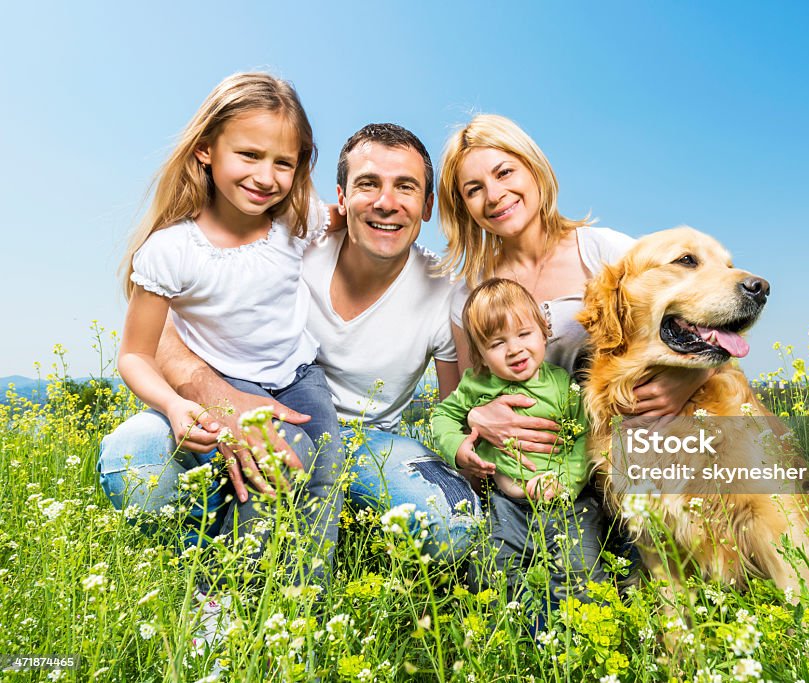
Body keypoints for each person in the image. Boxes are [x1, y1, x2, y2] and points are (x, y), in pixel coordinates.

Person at [98, 123, 481, 569]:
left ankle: (309, 560)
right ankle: (213, 573)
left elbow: (454, 407)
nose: (386, 203)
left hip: (364, 443)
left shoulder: (446, 291)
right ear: (341, 197)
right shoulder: (290, 239)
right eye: (368, 184)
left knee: (453, 519)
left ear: (428, 205)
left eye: (406, 187)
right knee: (136, 460)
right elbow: (159, 325)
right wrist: (218, 398)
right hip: (236, 406)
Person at [114, 72, 343, 591]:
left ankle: (305, 600)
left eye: (283, 162)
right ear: (205, 151)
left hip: (299, 375)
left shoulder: (295, 218)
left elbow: (336, 218)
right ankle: (225, 601)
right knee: (273, 467)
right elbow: (133, 356)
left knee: (328, 468)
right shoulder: (172, 252)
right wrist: (176, 406)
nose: (267, 176)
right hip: (229, 381)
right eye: (249, 155)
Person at [436, 113, 710, 478]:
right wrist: (475, 417)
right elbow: (466, 397)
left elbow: (705, 319)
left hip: (625, 458)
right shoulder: (468, 295)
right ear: (463, 207)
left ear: (534, 169)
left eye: (504, 173)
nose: (494, 195)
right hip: (532, 477)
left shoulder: (605, 253)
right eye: (474, 189)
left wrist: (689, 379)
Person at [431, 279, 607, 605]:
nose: (514, 349)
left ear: (544, 331)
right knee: (489, 569)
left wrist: (564, 482)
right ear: (480, 355)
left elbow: (585, 439)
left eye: (524, 334)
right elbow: (442, 417)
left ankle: (580, 635)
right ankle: (508, 634)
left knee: (580, 569)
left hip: (568, 504)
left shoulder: (564, 386)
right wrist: (458, 448)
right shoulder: (477, 385)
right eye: (497, 343)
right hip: (505, 503)